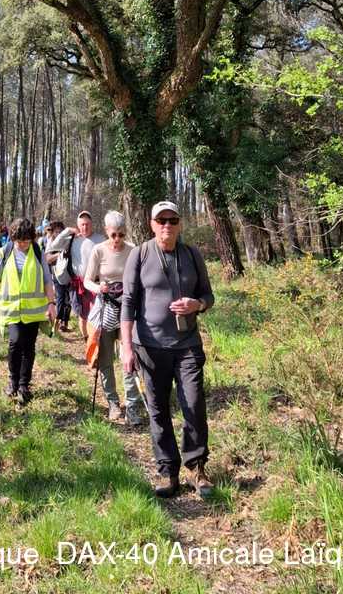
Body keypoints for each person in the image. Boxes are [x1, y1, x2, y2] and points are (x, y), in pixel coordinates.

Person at [119, 201, 215, 499]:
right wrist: (126, 348)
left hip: (187, 345)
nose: (167, 226)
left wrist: (196, 304)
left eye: (172, 220)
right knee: (158, 410)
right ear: (152, 224)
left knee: (194, 404)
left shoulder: (192, 254)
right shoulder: (140, 254)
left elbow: (208, 296)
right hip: (149, 347)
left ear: (180, 224)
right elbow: (128, 303)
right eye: (161, 221)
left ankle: (196, 467)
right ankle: (167, 471)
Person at [0, 217, 56, 405]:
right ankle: (13, 380)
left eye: (26, 241)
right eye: (19, 241)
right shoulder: (4, 252)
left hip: (33, 311)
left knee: (29, 347)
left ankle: (24, 384)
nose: (23, 244)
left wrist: (51, 303)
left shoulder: (38, 252)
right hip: (12, 310)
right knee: (15, 342)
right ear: (13, 238)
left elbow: (47, 280)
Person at [84, 211, 144, 424]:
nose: (117, 239)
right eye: (113, 235)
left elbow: (141, 278)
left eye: (121, 234)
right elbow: (87, 280)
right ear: (106, 231)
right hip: (106, 308)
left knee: (130, 357)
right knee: (106, 358)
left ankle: (132, 406)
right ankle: (112, 402)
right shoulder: (98, 250)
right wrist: (98, 287)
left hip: (129, 309)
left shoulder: (133, 250)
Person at [47, 211, 104, 339]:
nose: (85, 227)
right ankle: (86, 339)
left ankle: (94, 341)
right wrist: (67, 230)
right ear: (78, 225)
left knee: (95, 313)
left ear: (92, 224)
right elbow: (53, 246)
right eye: (82, 224)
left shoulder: (100, 239)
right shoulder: (72, 238)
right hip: (78, 284)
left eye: (87, 224)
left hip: (96, 283)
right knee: (83, 316)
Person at [44, 220, 71, 333]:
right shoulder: (51, 242)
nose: (59, 233)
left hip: (68, 272)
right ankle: (57, 320)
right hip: (56, 272)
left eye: (61, 231)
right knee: (60, 297)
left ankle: (65, 322)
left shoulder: (67, 240)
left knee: (68, 298)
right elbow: (47, 258)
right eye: (56, 231)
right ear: (53, 233)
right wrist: (59, 255)